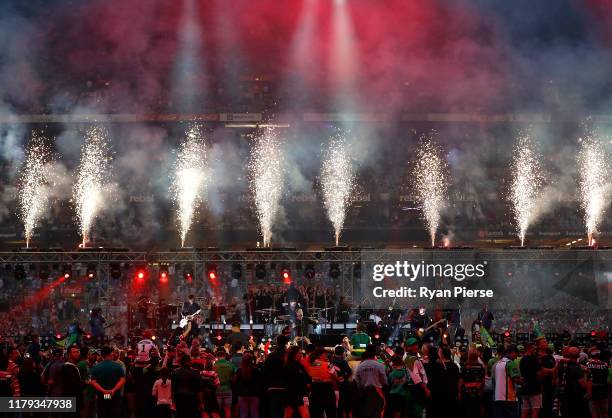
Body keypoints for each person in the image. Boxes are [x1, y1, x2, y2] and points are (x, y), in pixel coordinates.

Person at [90, 346, 126, 418]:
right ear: (110, 354)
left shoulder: (96, 367)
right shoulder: (118, 366)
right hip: (114, 395)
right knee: (114, 413)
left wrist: (104, 391)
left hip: (102, 395)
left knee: (103, 413)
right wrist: (113, 390)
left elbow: (93, 382)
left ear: (101, 355)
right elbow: (122, 380)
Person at [354, 345, 387, 418]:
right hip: (378, 393)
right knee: (377, 414)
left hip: (364, 393)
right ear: (375, 352)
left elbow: (357, 381)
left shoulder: (360, 366)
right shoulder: (379, 365)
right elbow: (385, 381)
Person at [557, 346, 589, 418]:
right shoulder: (577, 368)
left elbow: (557, 381)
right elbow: (583, 384)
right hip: (575, 398)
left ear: (568, 354)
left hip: (564, 396)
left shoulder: (562, 365)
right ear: (578, 355)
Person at [304, 348, 337, 418]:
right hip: (327, 391)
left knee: (316, 414)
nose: (327, 356)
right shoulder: (328, 364)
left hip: (315, 391)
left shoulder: (310, 365)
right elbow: (336, 376)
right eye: (325, 354)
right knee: (331, 413)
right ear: (320, 355)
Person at [263, 335, 289, 418]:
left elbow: (265, 371)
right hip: (287, 387)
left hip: (273, 387)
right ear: (286, 343)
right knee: (287, 412)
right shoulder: (288, 356)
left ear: (277, 343)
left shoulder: (271, 356)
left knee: (275, 412)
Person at [492, 345, 522, 418]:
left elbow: (493, 380)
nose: (516, 357)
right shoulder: (510, 363)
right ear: (512, 352)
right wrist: (524, 381)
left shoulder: (497, 364)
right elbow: (516, 379)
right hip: (509, 398)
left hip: (497, 397)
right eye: (516, 354)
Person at [460, 347, 486, 418]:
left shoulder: (465, 366)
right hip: (477, 393)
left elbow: (461, 381)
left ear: (469, 356)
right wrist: (481, 391)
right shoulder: (481, 367)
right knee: (476, 412)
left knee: (467, 412)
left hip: (466, 393)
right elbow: (483, 381)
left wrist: (459, 393)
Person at [233, 352, 261, 418]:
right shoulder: (256, 370)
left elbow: (234, 382)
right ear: (252, 360)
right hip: (254, 395)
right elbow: (259, 382)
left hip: (242, 395)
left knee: (243, 415)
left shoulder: (239, 370)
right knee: (255, 415)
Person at [519, 342, 542, 418]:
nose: (535, 349)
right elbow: (538, 373)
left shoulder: (522, 360)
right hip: (534, 388)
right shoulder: (533, 359)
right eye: (533, 348)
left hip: (525, 388)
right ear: (529, 349)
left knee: (525, 411)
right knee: (535, 411)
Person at [586, 347, 609, 418]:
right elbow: (607, 378)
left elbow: (588, 379)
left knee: (594, 411)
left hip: (593, 390)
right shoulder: (605, 365)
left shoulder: (588, 364)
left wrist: (589, 393)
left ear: (590, 355)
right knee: (604, 412)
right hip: (604, 389)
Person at [213, 348, 236, 418]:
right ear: (225, 356)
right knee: (228, 410)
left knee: (218, 411)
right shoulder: (231, 365)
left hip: (217, 390)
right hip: (228, 389)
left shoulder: (214, 365)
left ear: (217, 357)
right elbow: (235, 378)